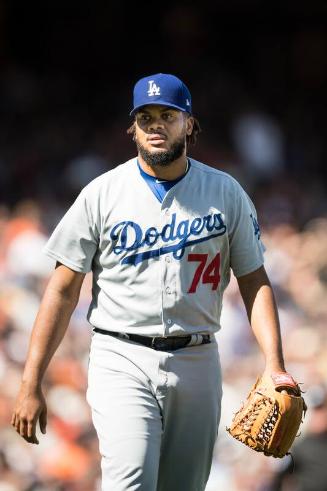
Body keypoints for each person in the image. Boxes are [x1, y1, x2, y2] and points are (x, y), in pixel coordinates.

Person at [11, 73, 292, 491]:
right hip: (121, 355)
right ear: (133, 127)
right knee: (132, 482)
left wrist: (275, 364)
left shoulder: (226, 192)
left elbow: (254, 281)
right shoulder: (102, 193)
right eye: (145, 117)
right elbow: (62, 289)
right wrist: (31, 381)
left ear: (190, 125)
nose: (156, 125)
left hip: (197, 359)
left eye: (167, 115)